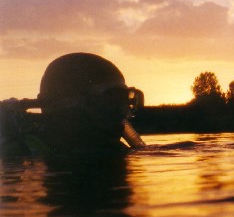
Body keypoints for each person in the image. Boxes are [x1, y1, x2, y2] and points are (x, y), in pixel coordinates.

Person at [0, 53, 146, 155]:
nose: (122, 114)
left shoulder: (113, 150)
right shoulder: (18, 156)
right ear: (65, 107)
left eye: (125, 101)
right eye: (109, 102)